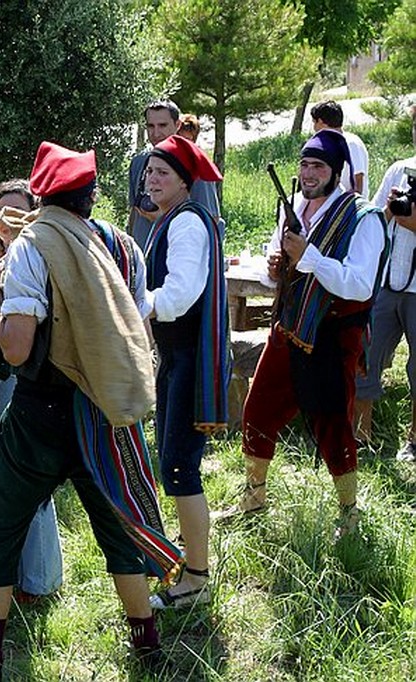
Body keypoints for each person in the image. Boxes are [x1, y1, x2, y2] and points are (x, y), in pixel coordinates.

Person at [0, 143, 181, 680]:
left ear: (43, 195)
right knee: (118, 531)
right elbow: (135, 326)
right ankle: (147, 647)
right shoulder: (123, 246)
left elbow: (16, 348)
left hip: (40, 412)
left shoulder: (29, 248)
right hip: (106, 411)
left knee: (3, 535)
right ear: (91, 195)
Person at [222, 129, 386, 539]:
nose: (309, 173)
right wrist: (277, 268)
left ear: (337, 172)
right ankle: (254, 499)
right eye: (305, 164)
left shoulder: (364, 218)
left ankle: (349, 515)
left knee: (333, 424)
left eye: (319, 166)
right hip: (289, 328)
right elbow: (275, 269)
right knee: (257, 411)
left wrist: (307, 257)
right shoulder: (294, 207)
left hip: (333, 336)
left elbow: (360, 285)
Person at [141, 135, 229, 610]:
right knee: (174, 461)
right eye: (150, 171)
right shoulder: (173, 218)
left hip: (190, 360)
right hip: (178, 358)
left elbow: (178, 297)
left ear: (184, 182)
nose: (152, 180)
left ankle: (196, 575)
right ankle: (192, 555)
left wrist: (133, 306)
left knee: (179, 464)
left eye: (163, 174)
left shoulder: (187, 223)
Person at [0, 179, 64, 602]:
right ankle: (9, 573)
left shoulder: (36, 257)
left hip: (23, 374)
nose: (9, 220)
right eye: (2, 212)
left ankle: (40, 578)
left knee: (30, 478)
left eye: (19, 212)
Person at [355, 107, 416, 460]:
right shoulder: (399, 168)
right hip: (389, 283)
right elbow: (374, 218)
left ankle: (414, 439)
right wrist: (393, 210)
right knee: (367, 358)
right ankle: (361, 437)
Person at [127, 100, 221, 250]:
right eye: (151, 126)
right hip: (142, 258)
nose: (156, 133)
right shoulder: (138, 162)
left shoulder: (193, 164)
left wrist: (162, 219)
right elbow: (133, 215)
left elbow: (211, 220)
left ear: (177, 125)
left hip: (178, 256)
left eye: (162, 125)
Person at [311, 100, 369, 198]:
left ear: (320, 122)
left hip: (349, 207)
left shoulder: (350, 143)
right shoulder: (327, 144)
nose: (314, 128)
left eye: (314, 122)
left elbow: (358, 182)